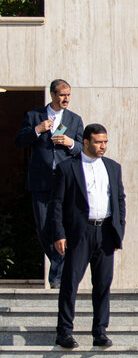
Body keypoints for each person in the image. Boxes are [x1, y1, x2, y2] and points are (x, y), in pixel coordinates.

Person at [49, 124, 126, 350]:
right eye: (98, 142)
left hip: (105, 233)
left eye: (105, 142)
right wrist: (59, 234)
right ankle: (64, 332)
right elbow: (56, 205)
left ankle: (100, 331)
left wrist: (119, 227)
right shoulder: (67, 168)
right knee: (70, 283)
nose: (103, 146)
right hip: (78, 233)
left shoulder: (113, 167)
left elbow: (120, 199)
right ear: (85, 142)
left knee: (103, 284)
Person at [13, 80, 84, 289]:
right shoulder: (33, 116)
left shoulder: (74, 120)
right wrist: (37, 129)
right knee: (44, 226)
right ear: (52, 95)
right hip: (40, 181)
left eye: (69, 95)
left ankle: (57, 276)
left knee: (62, 226)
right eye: (62, 95)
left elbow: (82, 148)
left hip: (64, 181)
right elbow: (19, 141)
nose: (66, 99)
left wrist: (69, 143)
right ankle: (58, 263)